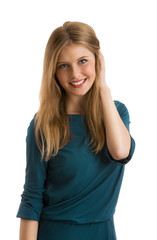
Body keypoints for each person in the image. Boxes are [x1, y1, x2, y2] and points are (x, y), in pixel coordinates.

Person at [16, 21, 135, 240]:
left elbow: (120, 152)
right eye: (63, 65)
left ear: (98, 61)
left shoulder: (116, 112)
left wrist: (103, 88)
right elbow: (32, 197)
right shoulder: (43, 124)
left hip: (102, 232)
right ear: (54, 71)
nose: (75, 73)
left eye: (83, 61)